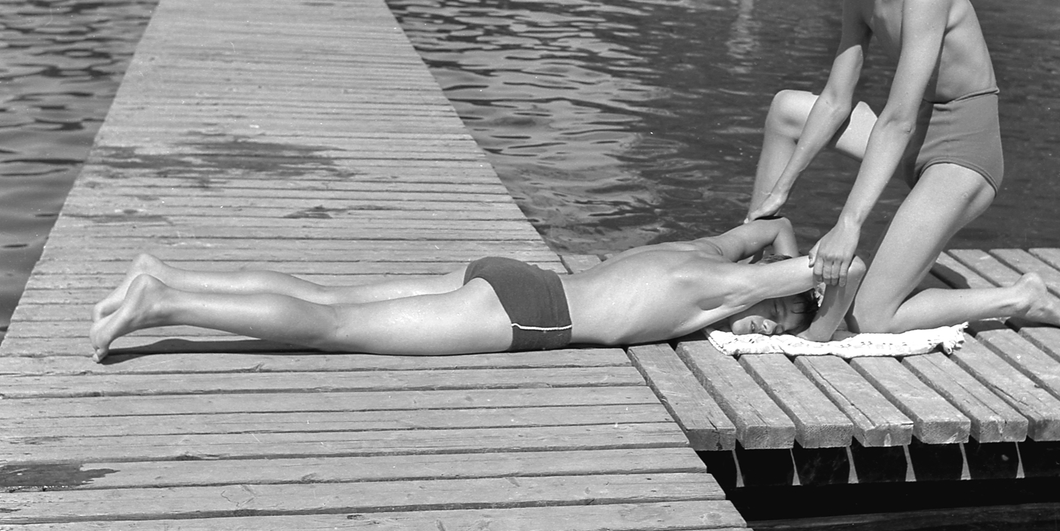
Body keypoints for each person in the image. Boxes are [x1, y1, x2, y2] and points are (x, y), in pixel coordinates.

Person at [747, 0, 1060, 336]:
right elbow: (836, 100)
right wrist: (782, 188)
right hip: (918, 135)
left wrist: (848, 225)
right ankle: (765, 271)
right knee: (785, 109)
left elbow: (896, 120)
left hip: (963, 155)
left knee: (872, 317)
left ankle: (1021, 296)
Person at [89, 218, 867, 362]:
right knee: (328, 327)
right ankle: (163, 306)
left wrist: (789, 266)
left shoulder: (702, 251)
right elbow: (843, 266)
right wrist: (817, 320)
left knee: (335, 299)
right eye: (769, 325)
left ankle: (165, 274)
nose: (758, 337)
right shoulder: (726, 288)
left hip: (512, 277)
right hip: (529, 315)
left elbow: (776, 222)